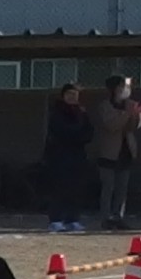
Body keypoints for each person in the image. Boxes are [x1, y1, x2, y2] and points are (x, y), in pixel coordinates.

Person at [36, 80, 96, 233]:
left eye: (75, 94)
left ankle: (73, 219)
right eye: (69, 94)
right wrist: (77, 133)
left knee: (76, 188)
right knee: (59, 188)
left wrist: (79, 133)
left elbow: (89, 133)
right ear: (63, 95)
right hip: (59, 156)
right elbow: (63, 132)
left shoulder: (82, 113)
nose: (72, 97)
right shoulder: (57, 112)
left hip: (78, 156)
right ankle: (55, 220)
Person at [94, 72, 141, 231]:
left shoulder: (131, 104)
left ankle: (118, 217)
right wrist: (128, 113)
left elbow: (134, 127)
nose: (126, 89)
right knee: (108, 187)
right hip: (108, 153)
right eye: (122, 86)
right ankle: (105, 218)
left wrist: (138, 114)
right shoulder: (105, 106)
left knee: (122, 189)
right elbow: (112, 125)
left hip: (126, 151)